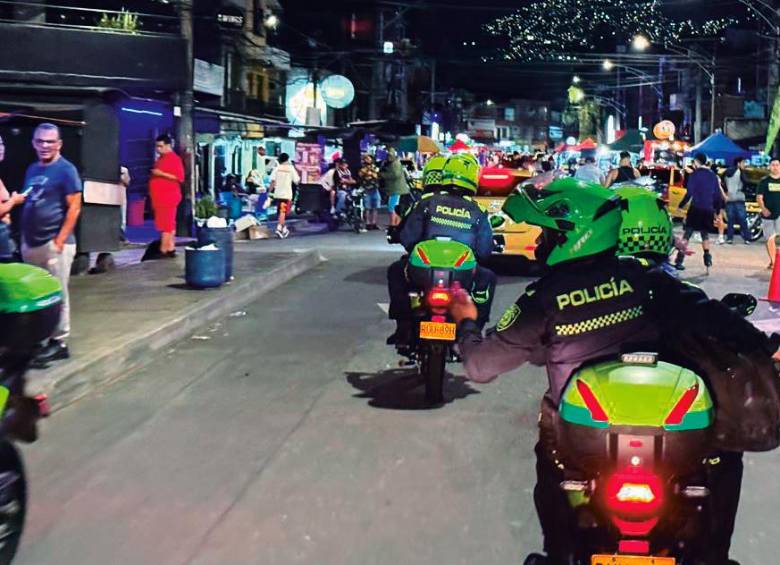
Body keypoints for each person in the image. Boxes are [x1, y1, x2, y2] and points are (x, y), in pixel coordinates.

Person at [447, 179, 768, 564]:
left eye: (545, 234)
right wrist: (770, 347)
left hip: (584, 442)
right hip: (669, 435)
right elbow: (713, 318)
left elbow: (480, 367)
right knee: (723, 459)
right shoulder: (644, 279)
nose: (536, 243)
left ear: (573, 236)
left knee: (550, 460)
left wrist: (467, 323)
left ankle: (561, 552)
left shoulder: (543, 299)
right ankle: (713, 556)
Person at [386, 153, 496, 347]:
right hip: (461, 274)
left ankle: (402, 326)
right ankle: (475, 329)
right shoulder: (478, 210)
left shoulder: (427, 201)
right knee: (487, 278)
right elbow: (484, 251)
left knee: (396, 271)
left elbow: (408, 237)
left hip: (423, 271)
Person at [20, 123, 82, 367]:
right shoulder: (32, 168)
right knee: (37, 295)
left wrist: (59, 241)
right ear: (33, 143)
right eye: (40, 141)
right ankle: (41, 339)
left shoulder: (66, 170)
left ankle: (59, 342)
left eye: (49, 141)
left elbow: (74, 207)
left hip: (55, 244)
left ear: (59, 144)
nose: (44, 146)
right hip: (32, 244)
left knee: (57, 294)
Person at [674, 153, 722, 271]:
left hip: (695, 208)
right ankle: (707, 257)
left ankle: (679, 260)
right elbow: (717, 195)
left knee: (687, 234)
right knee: (705, 234)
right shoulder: (713, 176)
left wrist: (681, 205)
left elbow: (689, 193)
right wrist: (717, 210)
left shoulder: (694, 175)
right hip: (708, 209)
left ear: (696, 161)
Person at [149, 134, 185, 257]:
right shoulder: (161, 159)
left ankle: (163, 250)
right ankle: (170, 247)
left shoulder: (174, 159)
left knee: (166, 225)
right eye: (157, 146)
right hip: (161, 197)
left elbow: (179, 177)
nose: (158, 149)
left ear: (168, 145)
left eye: (160, 146)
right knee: (169, 223)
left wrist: (161, 173)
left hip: (168, 197)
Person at [267, 153, 300, 239]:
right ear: (287, 159)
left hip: (278, 193)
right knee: (283, 211)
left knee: (281, 211)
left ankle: (283, 228)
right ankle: (279, 228)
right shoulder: (291, 169)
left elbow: (273, 182)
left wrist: (268, 192)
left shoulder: (276, 169)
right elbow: (296, 181)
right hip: (287, 194)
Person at [757, 157, 780, 269]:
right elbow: (759, 197)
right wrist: (764, 209)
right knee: (769, 238)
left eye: (777, 165)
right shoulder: (764, 181)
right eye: (773, 165)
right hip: (768, 215)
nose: (775, 167)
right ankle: (773, 261)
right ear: (770, 167)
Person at [722, 157, 749, 245]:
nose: (744, 165)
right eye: (743, 163)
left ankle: (730, 238)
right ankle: (746, 238)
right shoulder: (740, 172)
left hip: (729, 198)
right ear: (738, 163)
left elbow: (722, 183)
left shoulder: (726, 172)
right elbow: (746, 182)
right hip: (739, 198)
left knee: (730, 220)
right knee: (742, 219)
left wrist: (726, 192)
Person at [380, 148, 410, 226]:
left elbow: (395, 175)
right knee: (395, 207)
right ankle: (396, 223)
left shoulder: (395, 163)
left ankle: (393, 223)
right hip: (395, 189)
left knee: (392, 207)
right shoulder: (393, 162)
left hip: (396, 189)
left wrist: (383, 175)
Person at [358, 154, 381, 230]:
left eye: (369, 158)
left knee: (375, 207)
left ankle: (374, 223)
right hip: (366, 189)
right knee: (367, 207)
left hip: (375, 188)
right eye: (366, 159)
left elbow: (376, 175)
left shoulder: (374, 167)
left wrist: (371, 172)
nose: (368, 160)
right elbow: (361, 174)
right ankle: (368, 223)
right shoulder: (362, 167)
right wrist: (368, 172)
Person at [119, 165, 131, 243]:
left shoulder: (123, 170)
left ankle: (121, 236)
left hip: (120, 195)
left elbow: (127, 182)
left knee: (121, 217)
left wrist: (121, 177)